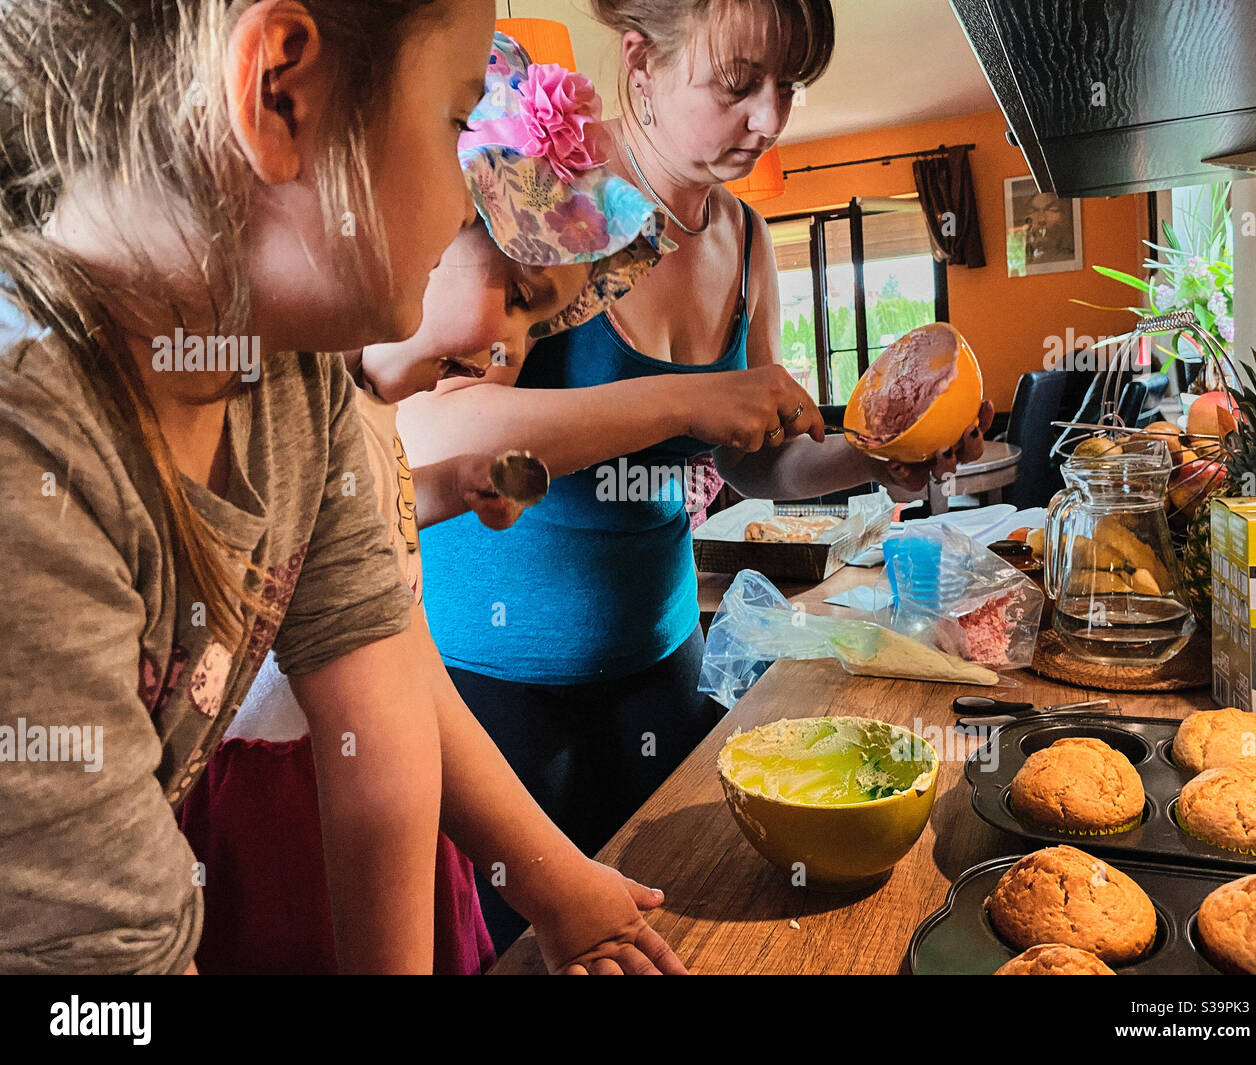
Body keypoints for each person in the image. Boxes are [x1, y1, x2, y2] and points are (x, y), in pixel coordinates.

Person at [0, 0, 684, 975]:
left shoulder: (295, 380)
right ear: (281, 93)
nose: (465, 192)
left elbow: (382, 703)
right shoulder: (27, 464)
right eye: (456, 121)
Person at [400, 2, 995, 950]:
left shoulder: (748, 239)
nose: (769, 119)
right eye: (739, 85)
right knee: (530, 948)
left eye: (787, 88)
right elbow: (430, 428)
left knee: (673, 933)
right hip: (498, 677)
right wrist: (684, 402)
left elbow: (752, 460)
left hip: (660, 659)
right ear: (640, 63)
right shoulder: (545, 196)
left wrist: (879, 452)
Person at [180, 37, 673, 974]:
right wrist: (554, 880)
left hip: (386, 789)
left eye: (541, 321)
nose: (512, 347)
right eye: (517, 296)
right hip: (281, 796)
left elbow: (360, 545)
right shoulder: (278, 390)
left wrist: (449, 489)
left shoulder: (352, 412)